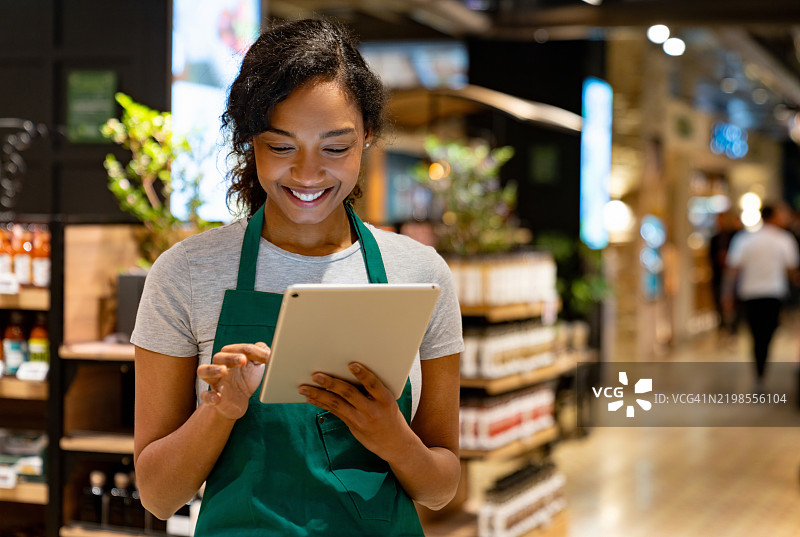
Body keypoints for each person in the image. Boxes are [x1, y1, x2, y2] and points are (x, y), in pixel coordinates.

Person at [131, 19, 464, 535]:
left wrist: (392, 437)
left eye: (335, 148)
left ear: (367, 138)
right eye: (282, 147)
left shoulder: (420, 275)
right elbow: (157, 495)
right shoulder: (186, 273)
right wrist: (222, 410)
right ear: (250, 142)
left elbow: (440, 490)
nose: (308, 175)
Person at [723, 204, 800, 387]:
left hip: (750, 293)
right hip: (773, 293)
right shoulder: (784, 239)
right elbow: (791, 269)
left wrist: (727, 294)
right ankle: (761, 367)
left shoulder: (744, 239)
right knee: (767, 332)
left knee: (756, 334)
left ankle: (759, 370)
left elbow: (732, 270)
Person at [708, 211, 741, 343]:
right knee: (719, 301)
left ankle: (733, 329)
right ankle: (722, 327)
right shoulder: (714, 238)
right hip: (718, 275)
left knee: (733, 302)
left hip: (732, 275)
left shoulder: (734, 236)